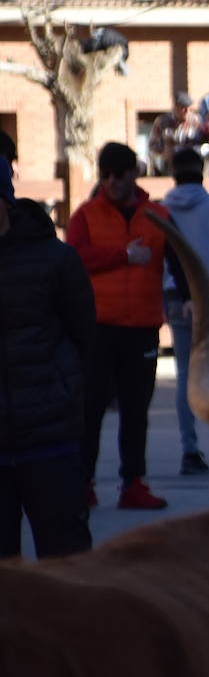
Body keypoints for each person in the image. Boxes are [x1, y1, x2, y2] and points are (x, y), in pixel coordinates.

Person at [0, 150, 96, 558]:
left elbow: (86, 341)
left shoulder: (56, 259)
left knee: (67, 570)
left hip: (50, 440)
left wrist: (69, 403)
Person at [66, 142, 171, 510]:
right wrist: (122, 255)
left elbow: (181, 259)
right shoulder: (86, 215)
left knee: (136, 409)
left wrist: (189, 299)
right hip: (98, 328)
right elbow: (74, 257)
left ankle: (134, 485)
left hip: (142, 327)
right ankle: (83, 483)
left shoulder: (158, 215)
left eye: (118, 175)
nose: (111, 182)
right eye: (105, 175)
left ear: (133, 174)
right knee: (90, 409)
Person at [161, 148, 209, 476]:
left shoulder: (163, 210)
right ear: (203, 171)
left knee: (184, 374)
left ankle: (189, 449)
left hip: (176, 295)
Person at [148, 91, 204, 176]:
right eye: (183, 108)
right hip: (170, 163)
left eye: (189, 108)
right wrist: (163, 152)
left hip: (191, 161)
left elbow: (203, 141)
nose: (187, 111)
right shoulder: (162, 121)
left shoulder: (196, 120)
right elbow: (152, 145)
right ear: (175, 107)